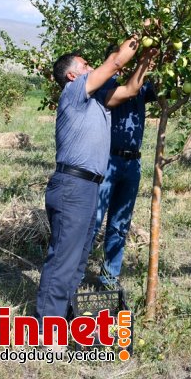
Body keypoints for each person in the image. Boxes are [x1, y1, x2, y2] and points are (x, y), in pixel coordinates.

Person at [34, 36, 157, 329]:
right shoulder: (74, 91)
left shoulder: (97, 101)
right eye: (85, 64)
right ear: (73, 74)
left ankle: (63, 315)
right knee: (64, 257)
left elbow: (130, 89)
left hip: (89, 186)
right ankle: (47, 327)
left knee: (77, 258)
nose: (91, 67)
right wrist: (142, 35)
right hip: (72, 186)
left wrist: (146, 61)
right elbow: (115, 62)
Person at [89, 46, 156, 288]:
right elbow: (128, 91)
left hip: (132, 163)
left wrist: (168, 59)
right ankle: (73, 273)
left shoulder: (140, 85)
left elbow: (163, 89)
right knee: (93, 220)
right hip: (107, 160)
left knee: (121, 222)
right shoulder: (104, 84)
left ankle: (109, 275)